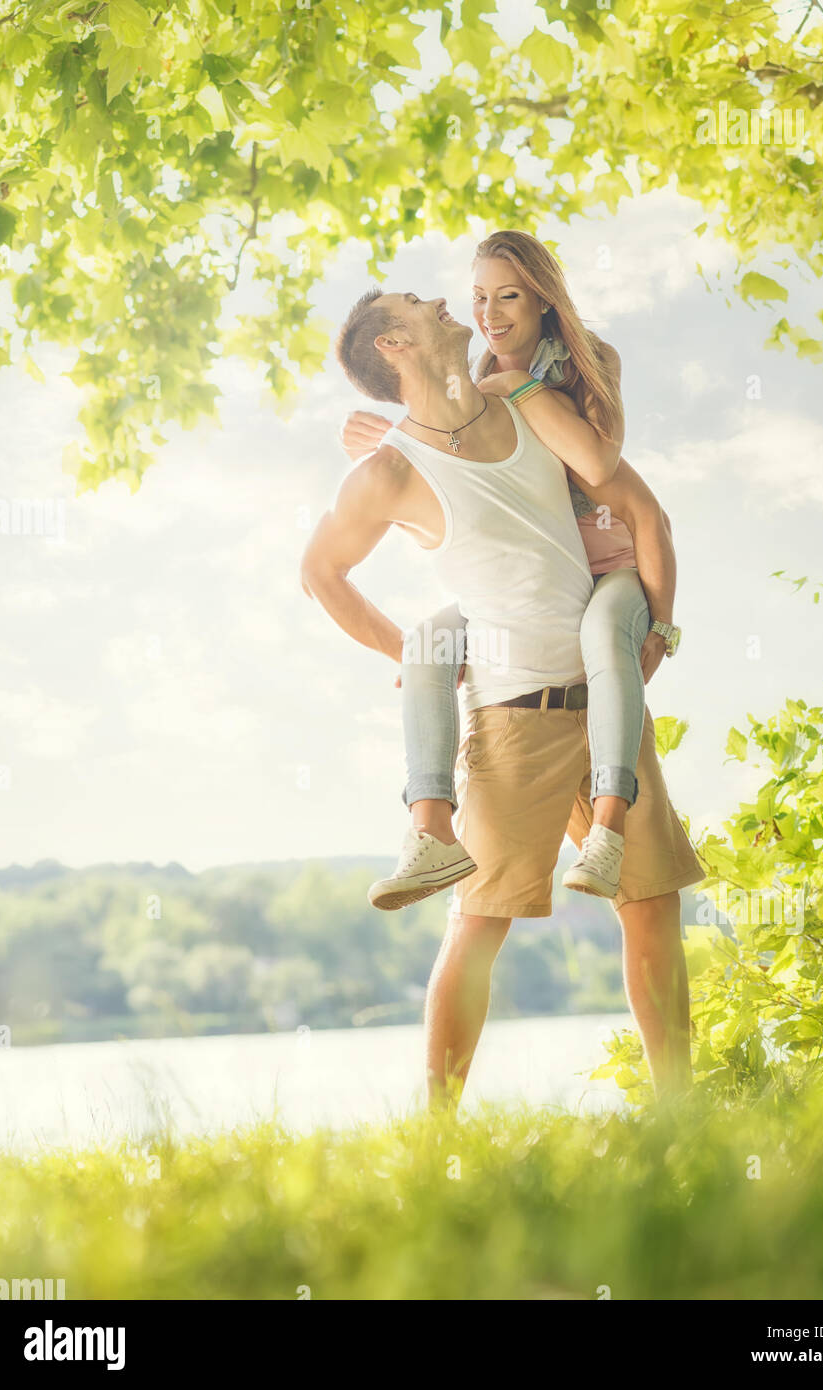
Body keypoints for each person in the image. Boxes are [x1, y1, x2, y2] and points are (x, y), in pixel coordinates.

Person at [301, 286, 703, 1102]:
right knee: (478, 927)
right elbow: (320, 573)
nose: (447, 300)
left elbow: (611, 467)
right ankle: (437, 1135)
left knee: (652, 910)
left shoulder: (520, 404)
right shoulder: (386, 472)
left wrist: (656, 624)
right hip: (511, 722)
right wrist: (416, 655)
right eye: (420, 304)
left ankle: (680, 1120)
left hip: (605, 701)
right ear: (393, 347)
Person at [339, 231, 681, 911]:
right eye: (479, 297)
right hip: (526, 594)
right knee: (430, 644)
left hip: (601, 564)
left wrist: (663, 625)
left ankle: (608, 827)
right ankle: (428, 826)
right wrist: (391, 440)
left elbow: (604, 468)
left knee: (605, 631)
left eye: (510, 295)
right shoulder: (475, 379)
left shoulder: (575, 367)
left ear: (544, 300)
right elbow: (445, 444)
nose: (488, 313)